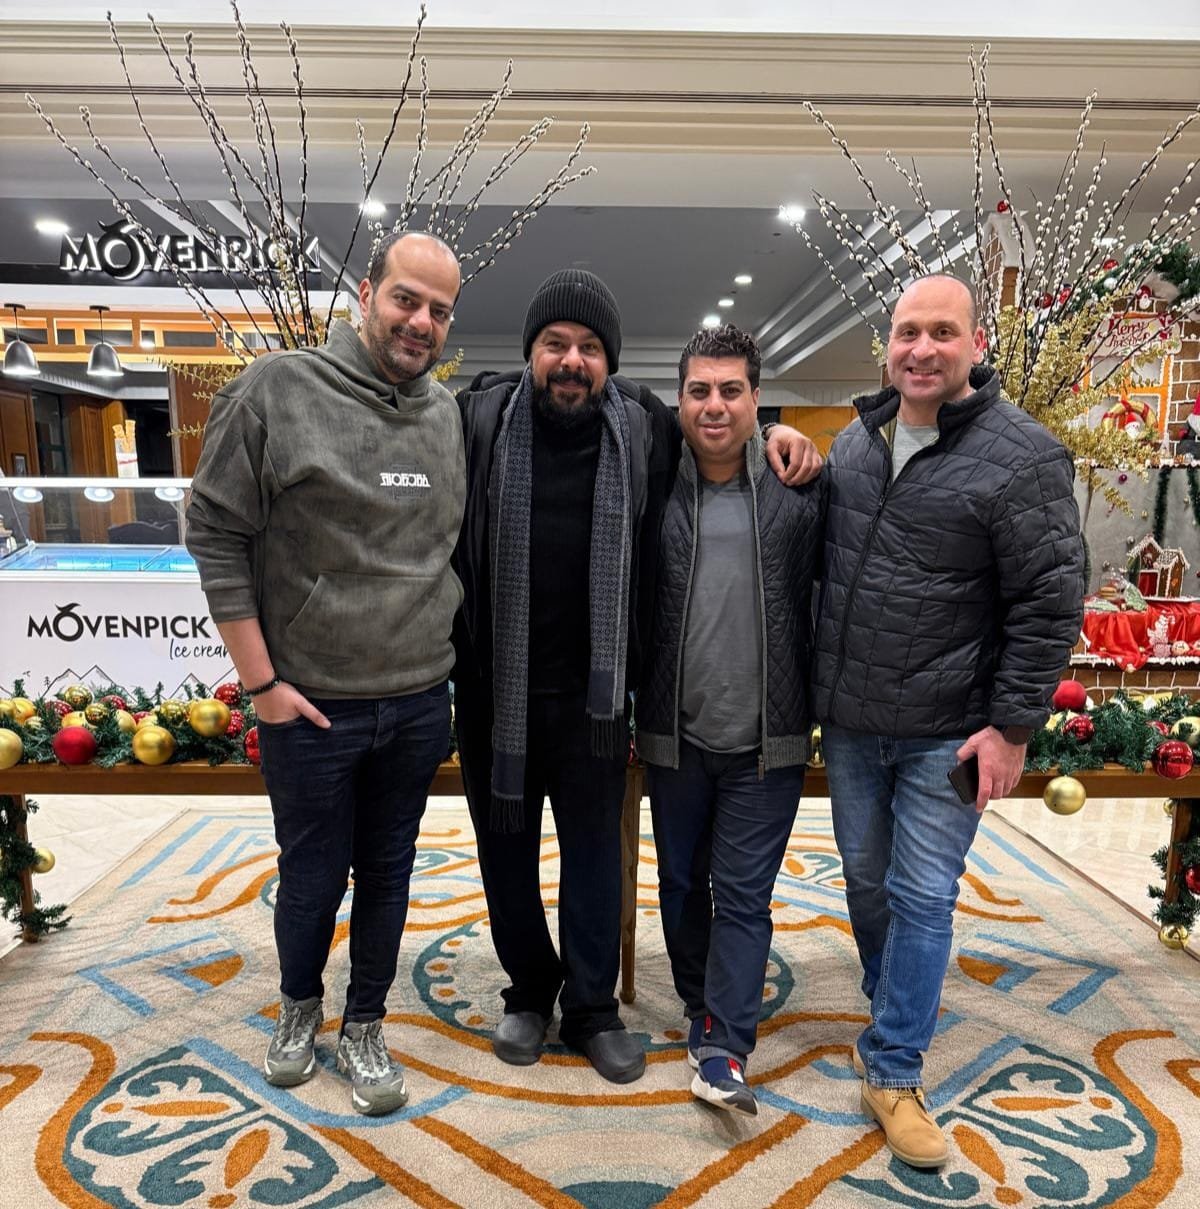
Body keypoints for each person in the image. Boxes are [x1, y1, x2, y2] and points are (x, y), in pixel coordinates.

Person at [452, 270, 821, 1083]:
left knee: (595, 858)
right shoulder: (477, 419)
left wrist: (784, 437)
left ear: (610, 362)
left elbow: (722, 437)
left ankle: (590, 1007)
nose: (572, 360)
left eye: (590, 347)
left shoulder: (643, 428)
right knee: (504, 856)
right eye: (556, 343)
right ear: (530, 352)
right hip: (494, 693)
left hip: (594, 699)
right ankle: (529, 990)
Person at [185, 231, 465, 1116]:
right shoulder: (274, 390)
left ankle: (366, 1022)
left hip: (417, 698)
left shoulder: (445, 415)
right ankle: (299, 1006)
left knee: (388, 872)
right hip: (309, 704)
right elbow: (214, 531)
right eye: (406, 298)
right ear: (366, 294)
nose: (420, 322)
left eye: (440, 310)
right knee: (311, 876)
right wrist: (260, 684)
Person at [812, 274, 1085, 1166]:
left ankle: (894, 1068)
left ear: (975, 344)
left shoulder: (1024, 456)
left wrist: (1012, 729)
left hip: (951, 729)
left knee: (923, 894)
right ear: (887, 346)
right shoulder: (857, 443)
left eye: (941, 332)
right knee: (865, 882)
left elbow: (1051, 601)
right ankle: (894, 999)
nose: (921, 349)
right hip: (854, 722)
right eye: (907, 332)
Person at [635, 324, 825, 1116]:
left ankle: (724, 1045)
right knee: (681, 883)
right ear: (679, 400)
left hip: (766, 741)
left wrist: (795, 440)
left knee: (743, 895)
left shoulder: (796, 492)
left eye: (731, 390)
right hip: (676, 736)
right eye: (699, 390)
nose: (714, 405)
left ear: (756, 397)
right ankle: (697, 1003)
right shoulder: (650, 484)